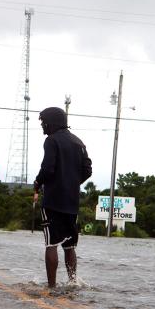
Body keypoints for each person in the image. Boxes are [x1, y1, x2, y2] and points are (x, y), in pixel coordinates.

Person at [33, 107, 92, 288]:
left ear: (52, 122)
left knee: (51, 244)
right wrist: (72, 183)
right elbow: (88, 170)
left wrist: (37, 183)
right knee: (69, 245)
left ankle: (51, 287)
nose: (42, 126)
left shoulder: (51, 141)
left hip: (52, 201)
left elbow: (48, 168)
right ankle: (72, 282)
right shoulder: (79, 142)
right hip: (72, 203)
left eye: (43, 122)